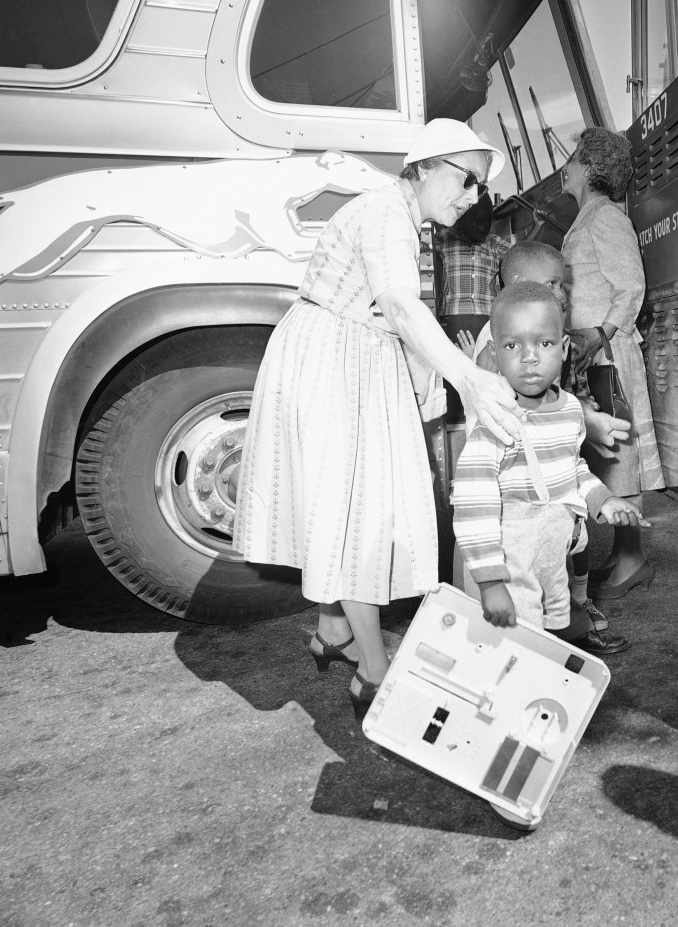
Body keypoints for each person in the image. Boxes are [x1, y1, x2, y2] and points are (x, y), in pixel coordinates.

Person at [232, 119, 524, 721]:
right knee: (360, 512)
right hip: (336, 357)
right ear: (423, 165)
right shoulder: (386, 214)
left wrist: (425, 376)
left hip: (352, 354)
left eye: (481, 188)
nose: (473, 195)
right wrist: (468, 377)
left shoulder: (405, 219)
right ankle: (372, 670)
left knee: (356, 504)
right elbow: (396, 302)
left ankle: (333, 627)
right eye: (466, 178)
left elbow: (394, 315)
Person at [452, 281, 648, 634]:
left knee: (550, 637)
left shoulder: (571, 408)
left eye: (543, 343)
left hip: (552, 556)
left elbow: (571, 466)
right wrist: (490, 582)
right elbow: (472, 505)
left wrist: (602, 498)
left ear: (564, 348)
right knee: (514, 645)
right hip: (507, 560)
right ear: (494, 355)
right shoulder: (495, 418)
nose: (530, 357)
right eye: (513, 345)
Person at [561, 127, 665, 602]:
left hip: (608, 355)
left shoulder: (605, 217)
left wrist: (599, 333)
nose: (565, 167)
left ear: (589, 167)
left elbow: (632, 286)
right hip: (589, 355)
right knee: (603, 454)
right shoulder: (588, 217)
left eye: (572, 159)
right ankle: (622, 553)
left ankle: (632, 559)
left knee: (621, 455)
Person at [433, 192, 511, 421]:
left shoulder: (494, 243)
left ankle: (492, 415)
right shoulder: (444, 240)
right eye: (475, 222)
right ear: (459, 219)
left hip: (489, 317)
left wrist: (535, 227)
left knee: (488, 368)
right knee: (459, 370)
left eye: (487, 222)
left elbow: (519, 256)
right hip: (457, 316)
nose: (481, 228)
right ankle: (458, 418)